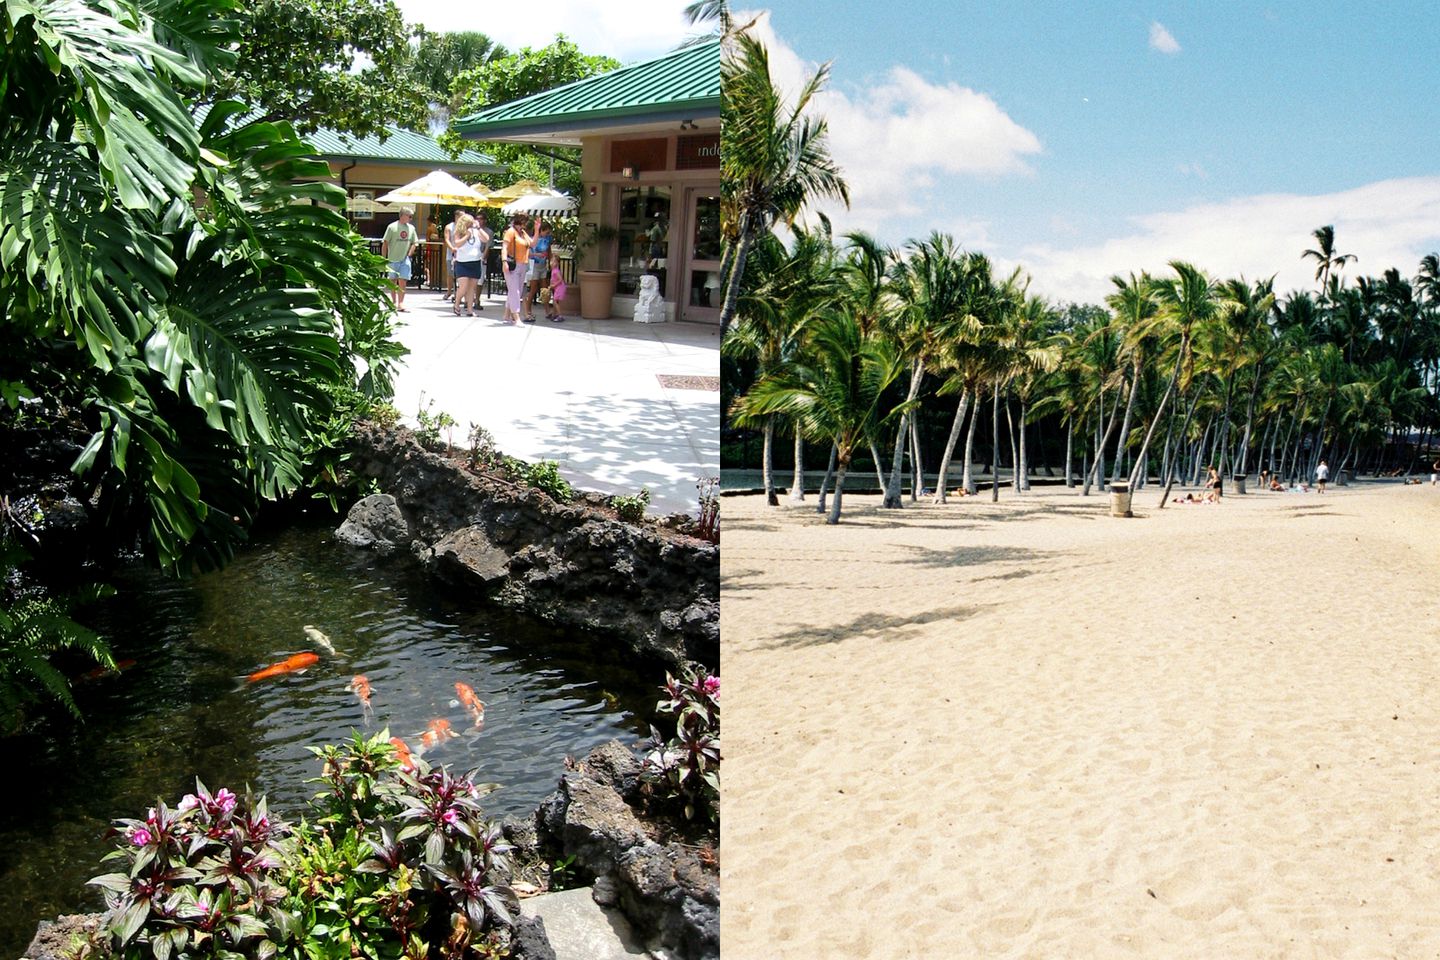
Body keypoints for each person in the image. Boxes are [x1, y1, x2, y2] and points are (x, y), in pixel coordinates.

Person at [381, 207, 419, 312]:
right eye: (409, 216)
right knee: (392, 282)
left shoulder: (411, 228)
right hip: (392, 259)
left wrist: (409, 254)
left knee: (403, 281)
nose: (411, 219)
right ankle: (393, 302)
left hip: (404, 259)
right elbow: (385, 243)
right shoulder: (392, 227)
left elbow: (414, 243)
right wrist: (384, 259)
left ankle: (401, 303)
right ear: (403, 215)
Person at [449, 213, 487, 317]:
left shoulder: (476, 231)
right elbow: (457, 243)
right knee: (463, 286)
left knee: (471, 288)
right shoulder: (459, 232)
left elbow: (486, 239)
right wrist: (467, 235)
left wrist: (478, 228)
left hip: (475, 261)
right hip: (462, 262)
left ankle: (470, 310)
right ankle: (457, 304)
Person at [502, 213, 532, 325]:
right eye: (524, 222)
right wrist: (504, 261)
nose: (524, 225)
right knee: (515, 291)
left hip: (522, 264)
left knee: (514, 291)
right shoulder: (511, 232)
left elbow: (532, 244)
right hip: (513, 264)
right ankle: (516, 317)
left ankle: (506, 315)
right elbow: (504, 247)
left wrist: (537, 230)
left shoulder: (522, 233)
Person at [525, 220, 557, 322]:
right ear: (541, 230)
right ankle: (528, 310)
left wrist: (551, 262)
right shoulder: (533, 239)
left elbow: (549, 251)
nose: (548, 234)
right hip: (534, 265)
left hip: (543, 266)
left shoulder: (547, 239)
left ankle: (547, 311)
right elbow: (528, 253)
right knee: (533, 289)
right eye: (546, 232)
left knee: (544, 290)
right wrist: (536, 255)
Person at [443, 209, 465, 302]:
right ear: (457, 216)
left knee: (461, 275)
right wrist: (452, 248)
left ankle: (459, 294)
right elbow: (447, 239)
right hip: (451, 254)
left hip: (463, 254)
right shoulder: (449, 227)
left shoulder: (465, 227)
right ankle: (449, 291)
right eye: (462, 216)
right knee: (450, 274)